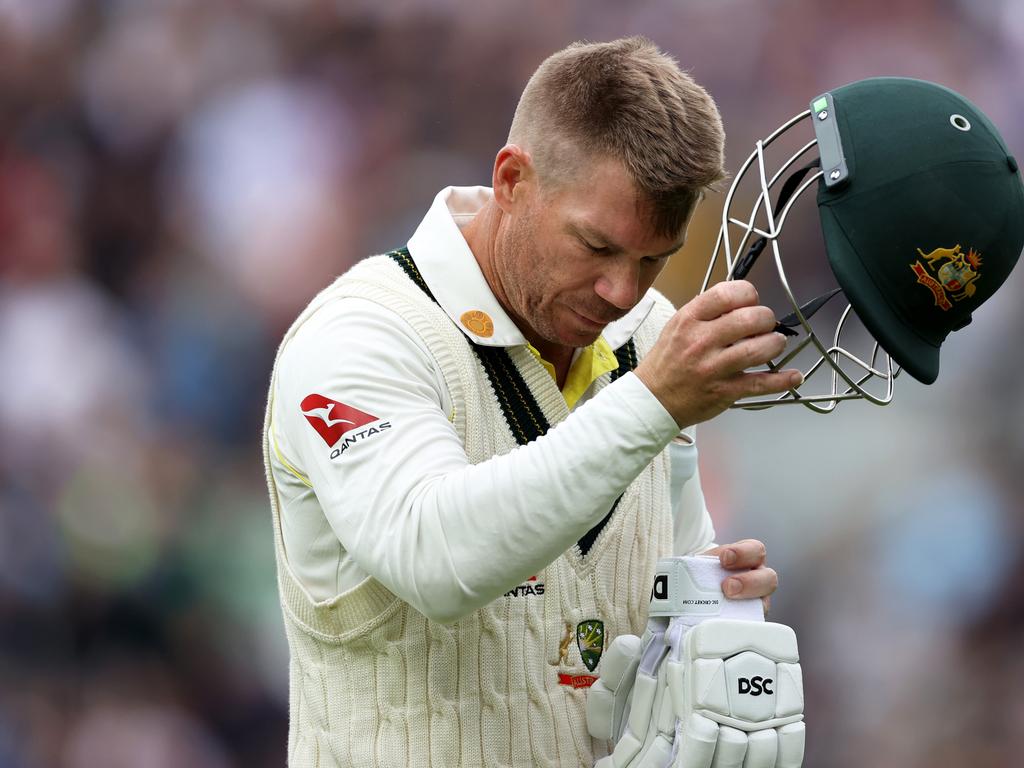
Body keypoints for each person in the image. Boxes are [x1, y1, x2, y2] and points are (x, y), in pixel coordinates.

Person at [263, 36, 802, 767]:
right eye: (596, 246)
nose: (623, 292)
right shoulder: (356, 337)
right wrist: (652, 401)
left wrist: (711, 612)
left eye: (654, 260)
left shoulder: (650, 339)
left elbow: (648, 623)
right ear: (513, 179)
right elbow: (435, 558)